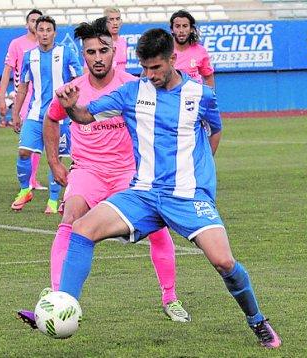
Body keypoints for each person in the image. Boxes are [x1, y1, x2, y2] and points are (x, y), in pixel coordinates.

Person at [50, 28, 281, 349]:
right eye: (144, 68)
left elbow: (215, 130)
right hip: (143, 194)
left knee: (224, 262)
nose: (149, 75)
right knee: (81, 228)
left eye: (156, 67)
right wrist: (73, 108)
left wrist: (199, 173)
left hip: (187, 196)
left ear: (173, 59)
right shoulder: (133, 92)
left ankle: (257, 320)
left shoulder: (201, 95)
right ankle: (64, 308)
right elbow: (86, 116)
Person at [17, 18, 189, 329]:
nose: (98, 57)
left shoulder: (134, 87)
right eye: (91, 52)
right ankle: (60, 297)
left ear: (115, 50)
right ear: (83, 55)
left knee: (158, 227)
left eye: (104, 50)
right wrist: (54, 162)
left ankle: (170, 297)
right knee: (71, 216)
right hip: (88, 171)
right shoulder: (72, 91)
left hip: (129, 173)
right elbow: (51, 119)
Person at [11, 15, 82, 213]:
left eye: (48, 30)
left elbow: (79, 81)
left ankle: (52, 201)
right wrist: (16, 113)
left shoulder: (66, 53)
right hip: (35, 114)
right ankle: (25, 190)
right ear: (36, 31)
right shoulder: (28, 56)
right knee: (23, 152)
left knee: (57, 158)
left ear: (54, 33)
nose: (44, 33)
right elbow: (23, 88)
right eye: (40, 29)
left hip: (61, 117)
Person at [0, 9, 47, 190]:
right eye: (33, 20)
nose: (35, 24)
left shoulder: (47, 46)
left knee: (43, 138)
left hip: (44, 98)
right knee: (28, 141)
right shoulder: (17, 44)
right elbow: (7, 71)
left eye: (38, 21)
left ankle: (32, 179)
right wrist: (3, 98)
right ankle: (28, 181)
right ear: (27, 24)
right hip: (25, 97)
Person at [170, 9, 215, 87]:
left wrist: (210, 97)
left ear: (191, 29)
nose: (181, 30)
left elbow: (208, 77)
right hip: (172, 96)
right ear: (172, 30)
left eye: (185, 26)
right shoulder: (164, 50)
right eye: (177, 26)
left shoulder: (200, 51)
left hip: (194, 96)